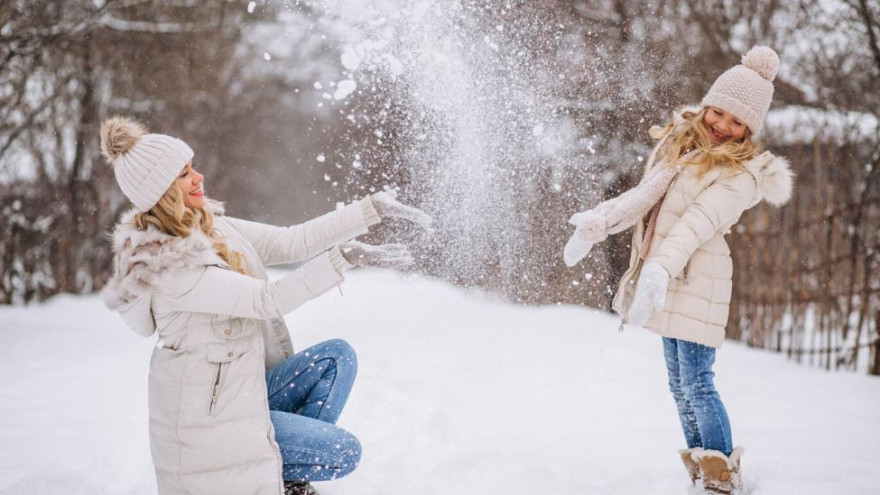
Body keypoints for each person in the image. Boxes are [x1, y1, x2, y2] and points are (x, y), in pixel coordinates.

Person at [100, 116, 431, 495]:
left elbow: (292, 242)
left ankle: (289, 481)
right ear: (162, 192)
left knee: (337, 358)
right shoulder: (170, 265)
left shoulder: (212, 226)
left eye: (192, 167)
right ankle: (283, 473)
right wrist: (344, 258)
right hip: (211, 427)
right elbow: (266, 301)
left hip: (239, 394)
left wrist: (370, 209)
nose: (198, 178)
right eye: (184, 174)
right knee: (343, 452)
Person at [563, 46, 794, 494]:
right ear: (708, 105)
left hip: (694, 281)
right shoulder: (686, 152)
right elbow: (643, 197)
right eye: (719, 112)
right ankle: (701, 472)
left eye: (737, 122)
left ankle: (722, 478)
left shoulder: (742, 174)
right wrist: (600, 223)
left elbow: (696, 223)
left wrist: (660, 270)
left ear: (749, 129)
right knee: (678, 383)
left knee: (698, 382)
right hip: (669, 279)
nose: (723, 126)